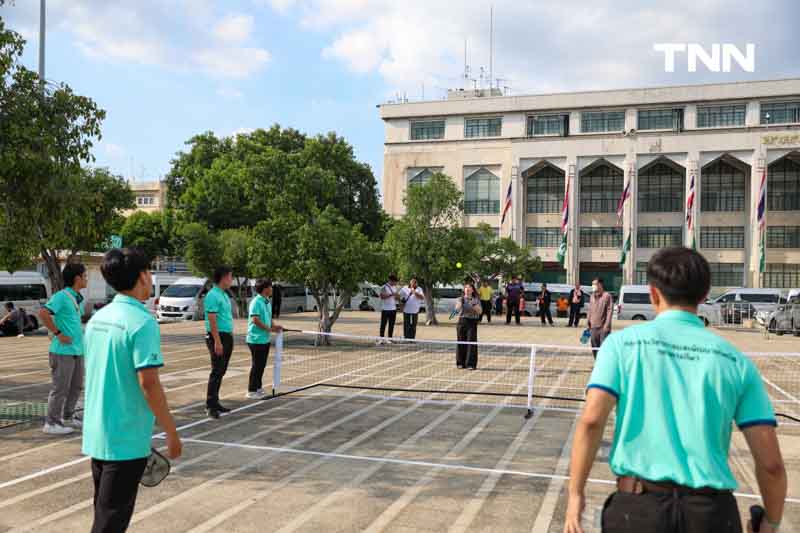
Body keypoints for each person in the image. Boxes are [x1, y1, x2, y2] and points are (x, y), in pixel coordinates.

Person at [564, 247, 787, 533]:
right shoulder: (735, 361)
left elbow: (592, 420)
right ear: (704, 295)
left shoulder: (622, 345)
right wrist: (772, 521)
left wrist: (575, 494)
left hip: (637, 511)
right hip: (712, 515)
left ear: (653, 294)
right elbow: (771, 464)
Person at [82, 248, 182, 533]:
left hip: (98, 433)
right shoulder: (142, 322)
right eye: (149, 271)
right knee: (110, 523)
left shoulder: (98, 319)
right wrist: (171, 433)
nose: (150, 278)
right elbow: (149, 383)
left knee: (103, 514)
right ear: (142, 276)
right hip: (126, 440)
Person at [38, 263, 88, 435]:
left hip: (77, 350)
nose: (86, 278)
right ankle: (51, 423)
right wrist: (58, 333)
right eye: (85, 275)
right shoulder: (61, 296)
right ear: (77, 278)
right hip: (62, 351)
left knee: (76, 387)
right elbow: (43, 313)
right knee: (60, 388)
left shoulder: (77, 297)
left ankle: (67, 417)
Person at [205, 266, 235, 419]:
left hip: (226, 336)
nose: (231, 279)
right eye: (230, 276)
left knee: (221, 370)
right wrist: (217, 341)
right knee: (216, 371)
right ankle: (210, 405)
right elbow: (212, 319)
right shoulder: (213, 295)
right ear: (223, 277)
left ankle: (215, 402)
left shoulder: (224, 294)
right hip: (218, 337)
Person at [246, 279, 283, 400]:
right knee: (256, 365)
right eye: (270, 287)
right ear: (265, 289)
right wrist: (269, 329)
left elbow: (269, 317)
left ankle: (258, 387)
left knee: (261, 365)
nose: (272, 289)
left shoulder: (267, 301)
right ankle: (251, 391)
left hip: (264, 339)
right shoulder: (256, 302)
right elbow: (255, 320)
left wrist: (274, 326)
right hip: (255, 339)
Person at [455, 284, 482, 370]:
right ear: (464, 290)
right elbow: (456, 310)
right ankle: (460, 362)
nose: (467, 289)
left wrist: (473, 304)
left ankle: (470, 364)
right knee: (461, 342)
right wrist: (459, 305)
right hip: (462, 321)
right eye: (466, 288)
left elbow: (480, 311)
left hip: (472, 322)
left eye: (469, 288)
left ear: (472, 290)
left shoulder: (476, 300)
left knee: (471, 343)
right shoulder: (460, 299)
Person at [587, 278, 613, 359]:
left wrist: (607, 325)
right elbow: (590, 309)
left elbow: (610, 311)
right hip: (593, 327)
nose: (593, 286)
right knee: (594, 348)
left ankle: (604, 365)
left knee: (604, 349)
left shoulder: (607, 296)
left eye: (594, 284)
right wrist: (588, 321)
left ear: (600, 285)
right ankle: (597, 363)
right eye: (592, 284)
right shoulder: (591, 296)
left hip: (603, 328)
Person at [378, 274, 400, 344]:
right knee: (383, 324)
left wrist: (397, 296)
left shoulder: (395, 287)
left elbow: (396, 297)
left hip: (393, 309)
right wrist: (391, 294)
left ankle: (390, 339)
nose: (395, 283)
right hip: (385, 309)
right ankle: (381, 339)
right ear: (391, 280)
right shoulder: (384, 287)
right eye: (395, 282)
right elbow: (382, 296)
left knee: (391, 324)